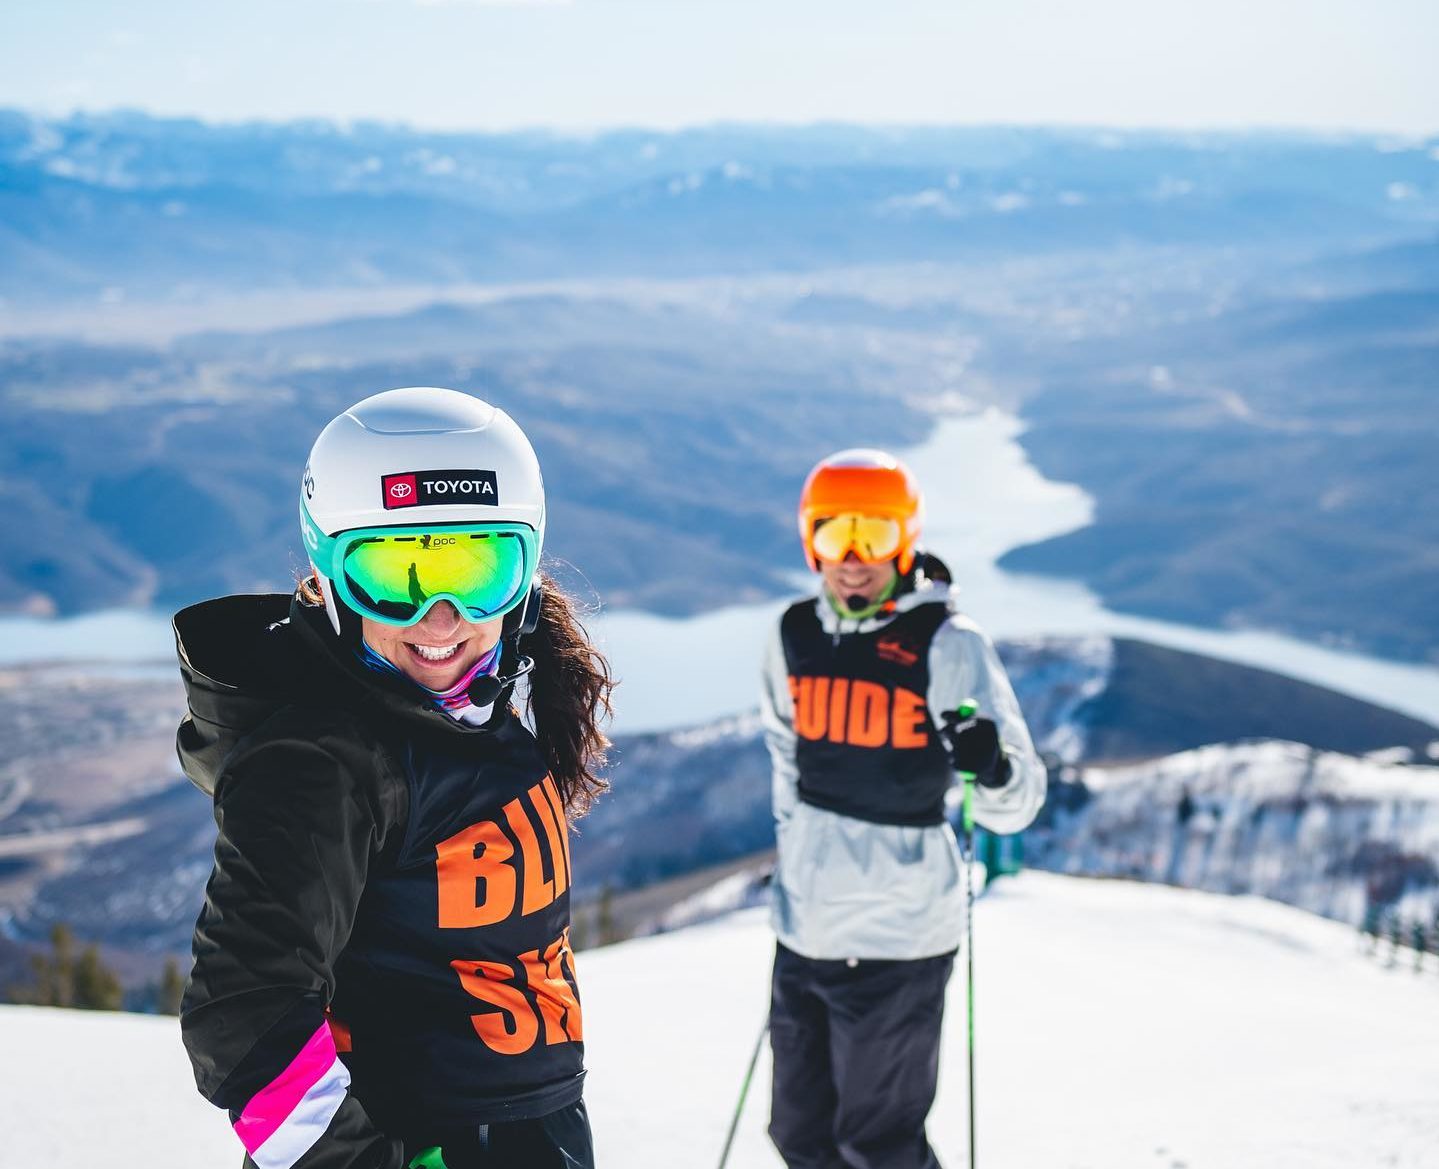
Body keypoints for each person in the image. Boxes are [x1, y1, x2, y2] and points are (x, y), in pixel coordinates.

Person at [173, 387, 612, 1169]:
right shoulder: (323, 758)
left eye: (477, 569)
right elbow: (242, 1012)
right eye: (392, 572)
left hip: (521, 1131)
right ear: (330, 572)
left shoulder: (472, 708)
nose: (438, 618)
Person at [760, 448, 1046, 1169]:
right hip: (805, 931)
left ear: (905, 540)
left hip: (900, 937)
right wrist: (792, 873)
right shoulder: (791, 634)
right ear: (809, 540)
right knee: (799, 1137)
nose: (853, 559)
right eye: (834, 536)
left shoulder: (947, 642)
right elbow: (786, 767)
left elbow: (1016, 804)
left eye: (875, 536)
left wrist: (992, 763)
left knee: (877, 1145)